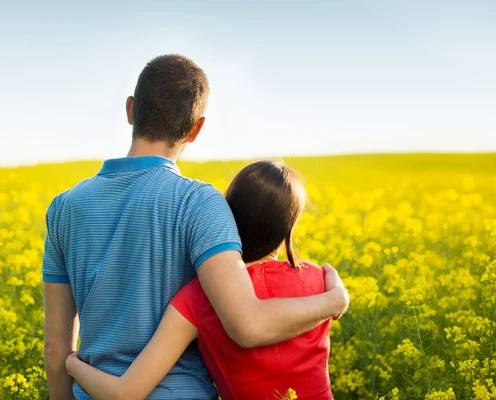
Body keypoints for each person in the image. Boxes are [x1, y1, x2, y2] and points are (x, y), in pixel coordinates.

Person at [42, 54, 349, 400]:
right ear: (196, 128)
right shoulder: (199, 203)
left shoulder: (63, 208)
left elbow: (56, 350)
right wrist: (334, 300)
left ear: (130, 110)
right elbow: (247, 324)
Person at [64, 161, 335, 400]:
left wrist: (73, 363)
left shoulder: (198, 296)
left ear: (229, 212)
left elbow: (125, 393)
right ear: (291, 224)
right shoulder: (322, 280)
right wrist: (337, 297)